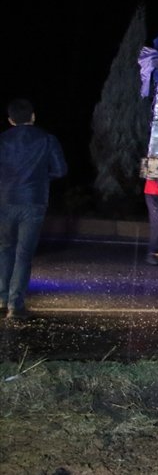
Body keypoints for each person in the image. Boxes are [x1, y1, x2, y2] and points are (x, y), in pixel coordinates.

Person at [0, 98, 67, 320]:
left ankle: (1, 298)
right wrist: (39, 179)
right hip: (34, 201)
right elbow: (60, 170)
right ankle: (15, 305)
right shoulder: (47, 139)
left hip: (5, 200)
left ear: (10, 120)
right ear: (33, 116)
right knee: (23, 254)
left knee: (5, 249)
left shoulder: (3, 140)